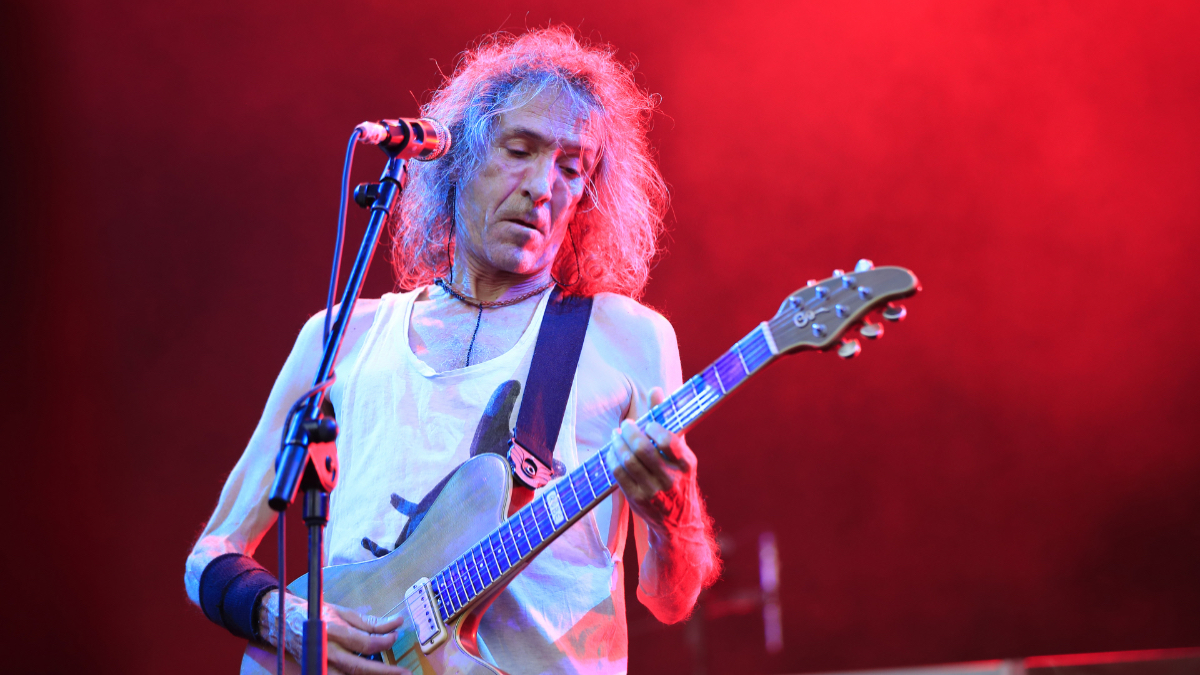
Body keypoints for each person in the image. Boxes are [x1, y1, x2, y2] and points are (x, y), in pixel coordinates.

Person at [186, 27, 720, 675]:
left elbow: (671, 599)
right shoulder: (341, 337)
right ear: (456, 157)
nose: (542, 185)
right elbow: (210, 554)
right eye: (519, 150)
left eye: (571, 167)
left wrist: (674, 513)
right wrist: (285, 617)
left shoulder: (627, 339)